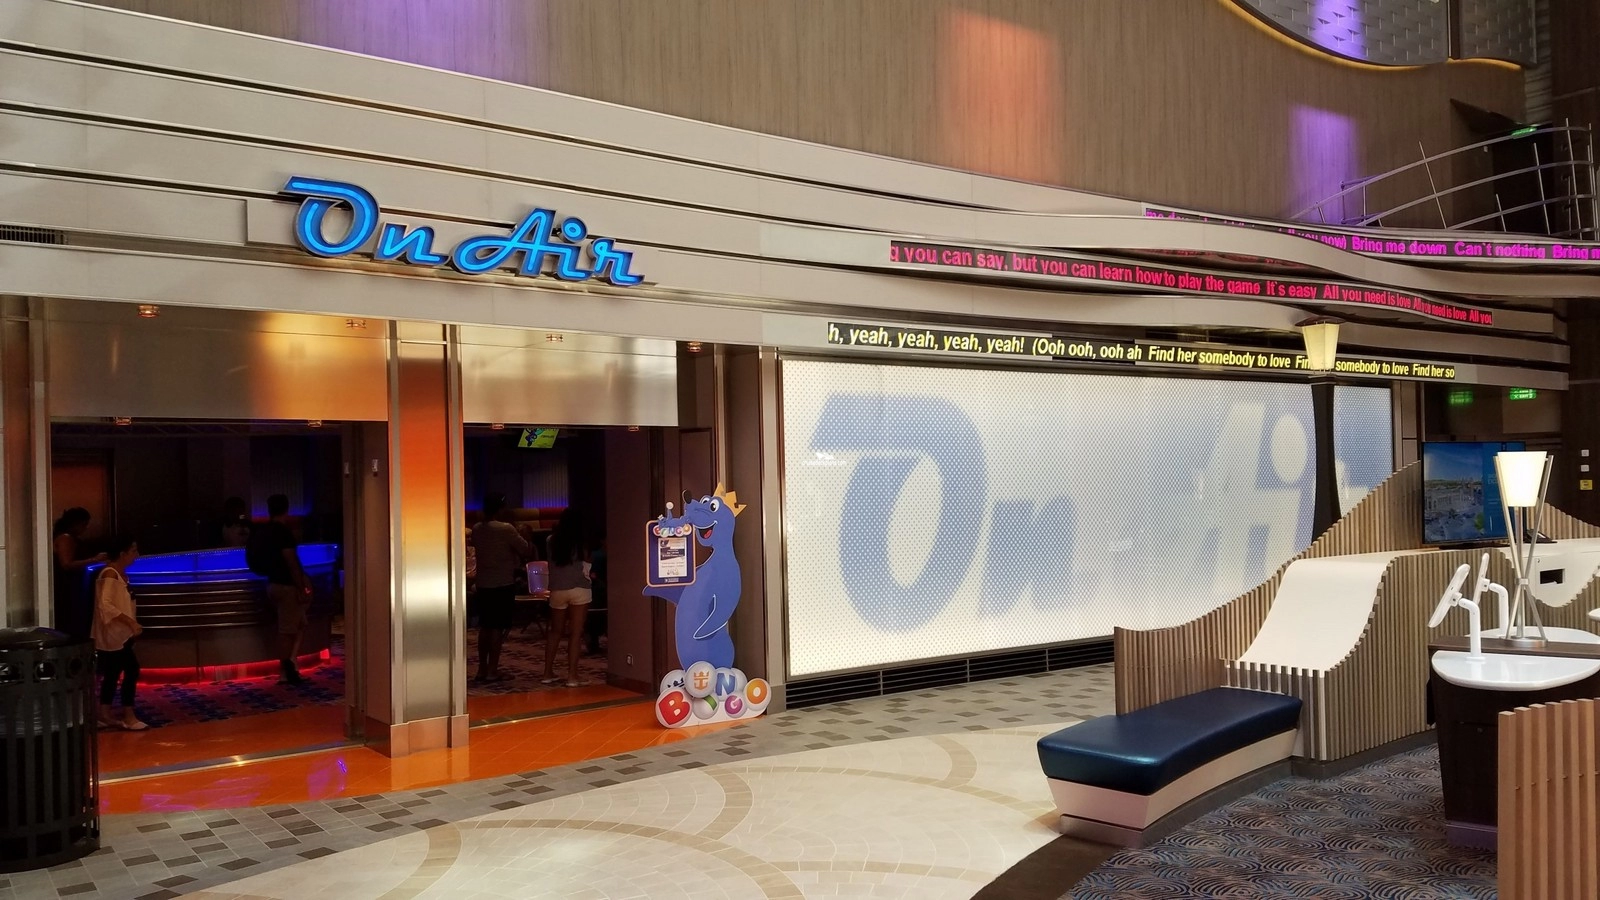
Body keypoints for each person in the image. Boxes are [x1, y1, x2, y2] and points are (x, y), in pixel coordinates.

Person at [247, 494, 312, 685]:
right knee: (288, 631)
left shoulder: (263, 531)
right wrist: (301, 586)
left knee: (297, 624)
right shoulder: (284, 533)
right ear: (286, 508)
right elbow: (291, 562)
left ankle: (290, 667)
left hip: (272, 584)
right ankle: (286, 672)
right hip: (286, 586)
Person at [470, 493, 529, 683]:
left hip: (483, 583)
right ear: (501, 509)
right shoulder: (506, 528)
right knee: (497, 627)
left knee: (485, 626)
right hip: (502, 583)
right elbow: (524, 548)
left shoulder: (477, 528)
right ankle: (492, 670)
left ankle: (481, 668)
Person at [93, 534, 148, 731]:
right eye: (133, 550)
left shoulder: (119, 574)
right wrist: (130, 623)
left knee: (113, 672)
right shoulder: (110, 574)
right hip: (114, 634)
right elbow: (105, 605)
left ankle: (104, 712)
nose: (136, 555)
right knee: (131, 670)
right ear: (122, 553)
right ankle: (128, 714)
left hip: (120, 633)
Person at [542, 509, 592, 687]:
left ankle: (547, 672)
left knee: (555, 632)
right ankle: (572, 676)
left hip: (557, 589)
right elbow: (588, 561)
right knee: (575, 634)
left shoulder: (551, 540)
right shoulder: (581, 541)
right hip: (579, 588)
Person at [52, 508, 106, 641]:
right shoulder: (66, 538)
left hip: (72, 585)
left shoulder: (68, 538)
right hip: (68, 586)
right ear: (76, 523)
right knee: (72, 618)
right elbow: (66, 564)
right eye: (84, 524)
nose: (85, 528)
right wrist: (94, 560)